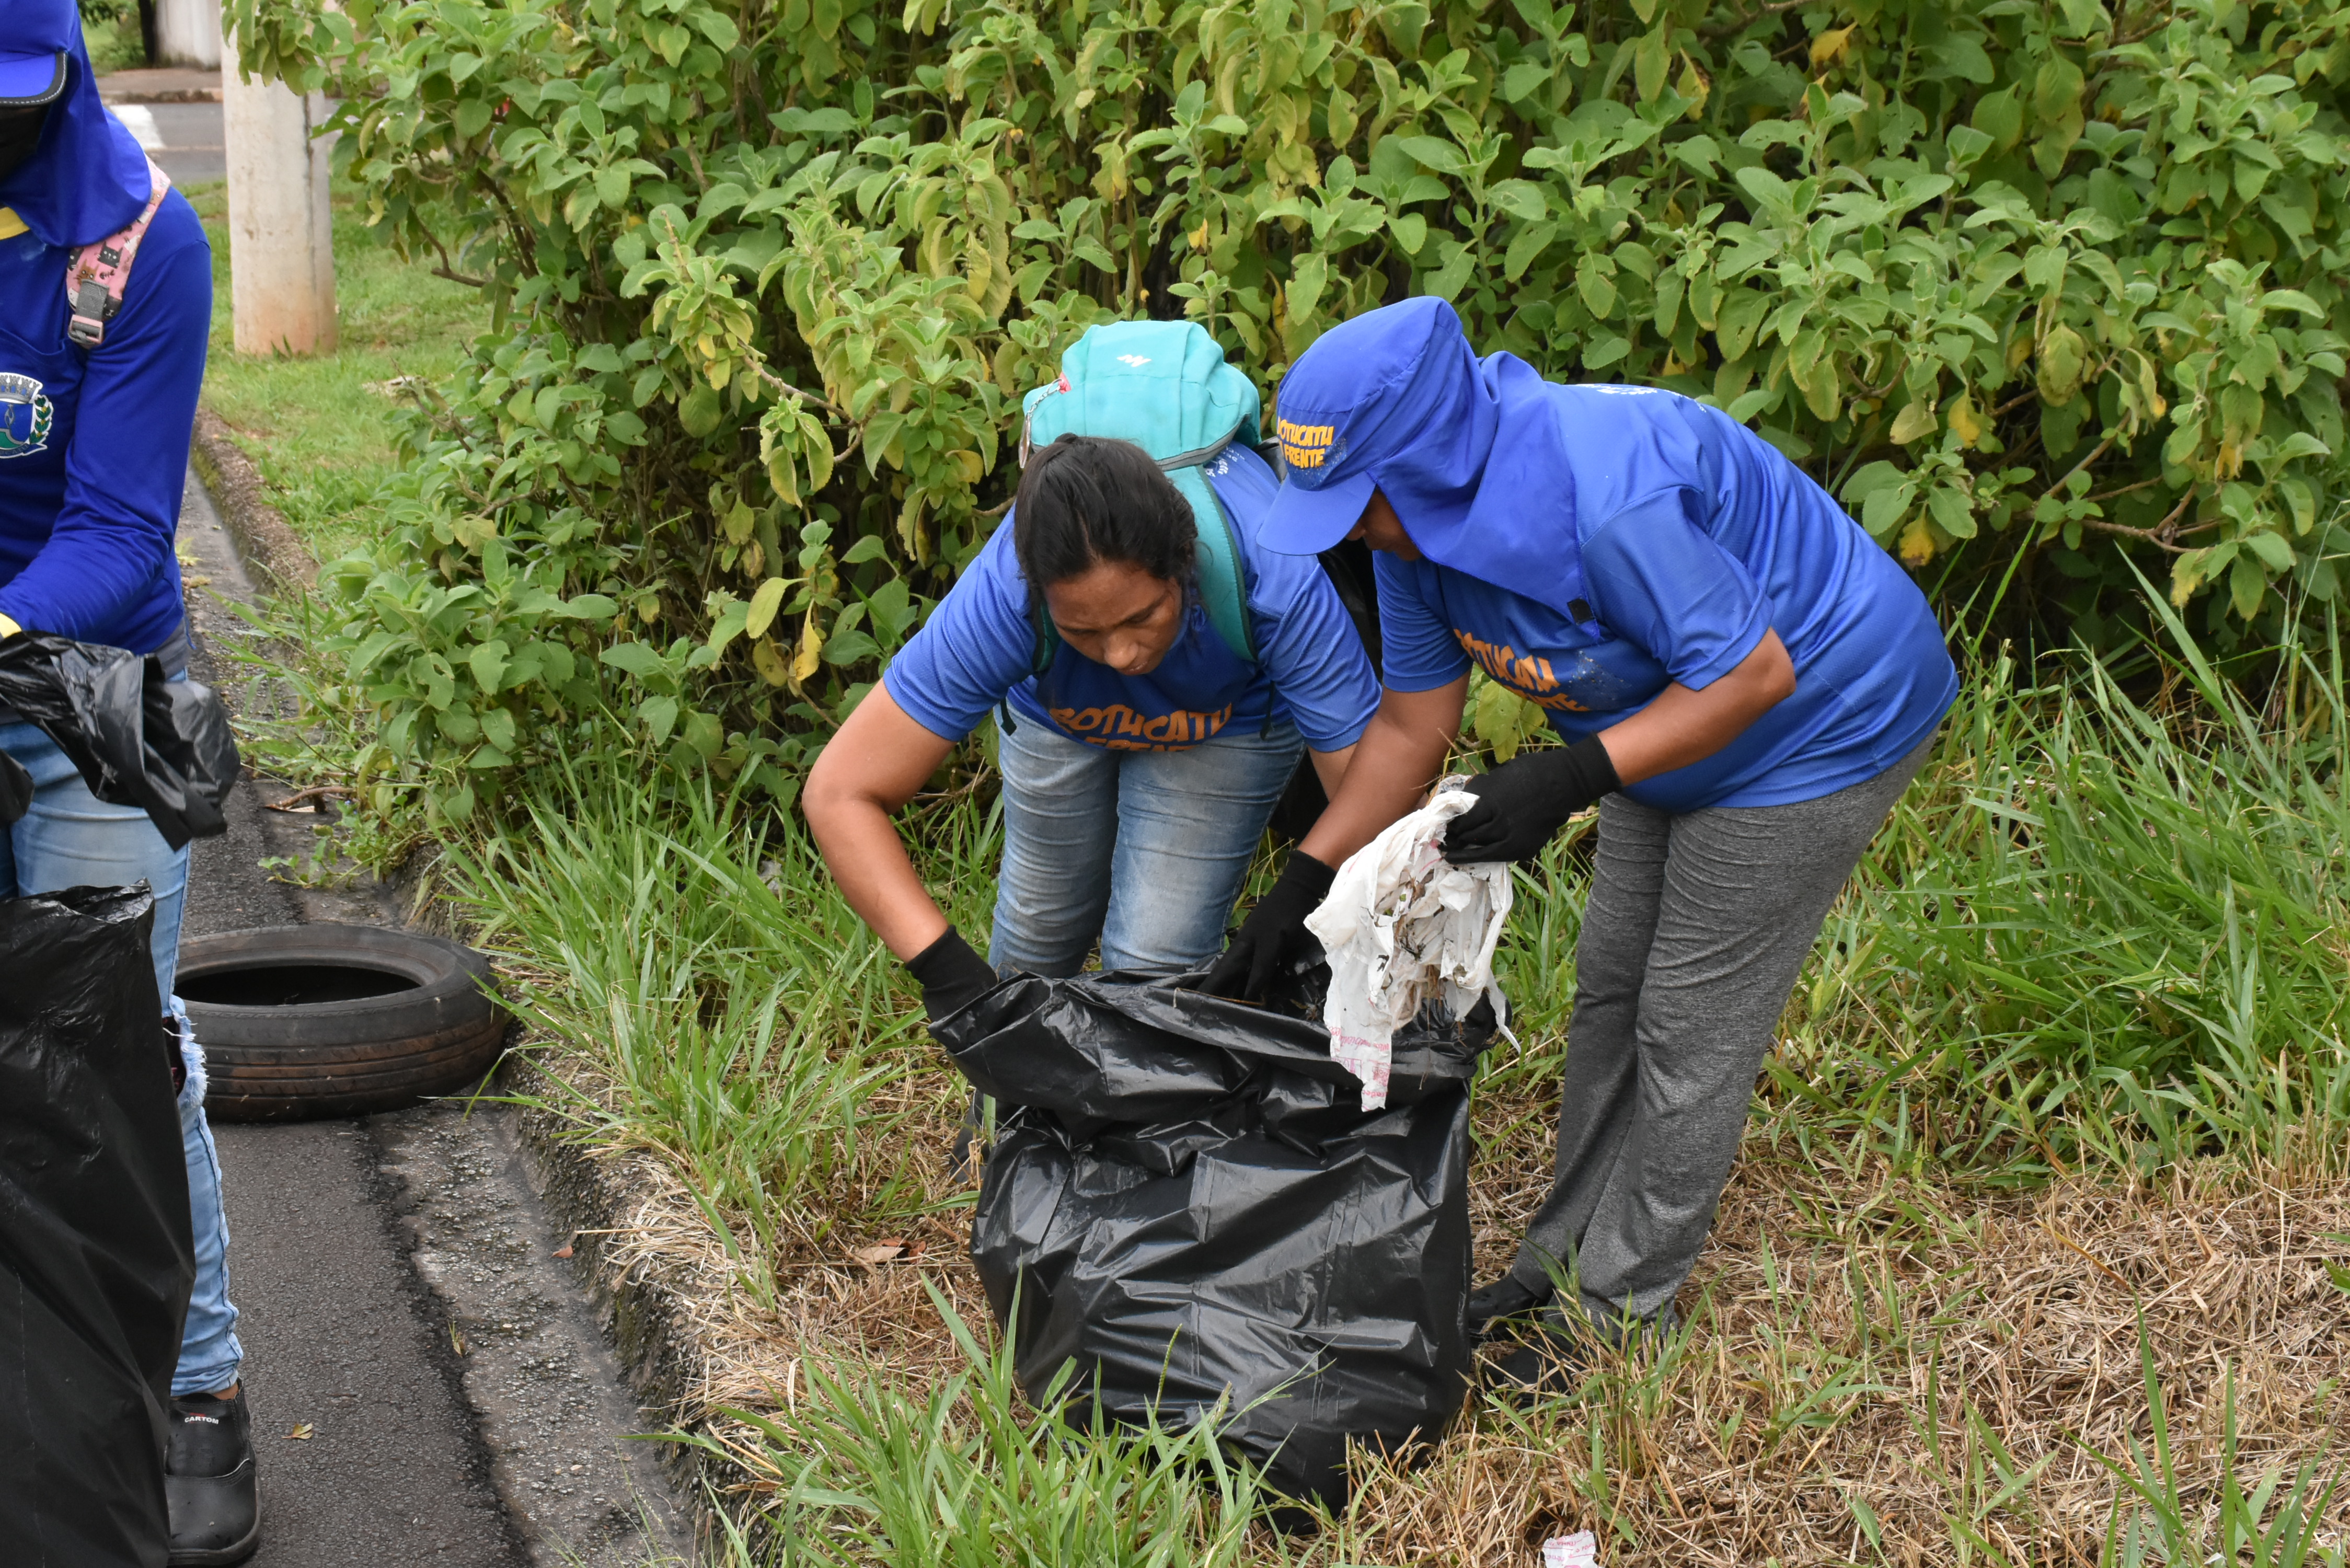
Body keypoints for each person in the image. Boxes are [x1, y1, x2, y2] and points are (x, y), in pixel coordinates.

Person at [1220, 297, 1956, 1387]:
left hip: (1820, 722)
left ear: (1428, 461)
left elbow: (1753, 674)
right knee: (1611, 989)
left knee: (1688, 1022)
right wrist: (1303, 884)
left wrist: (1569, 776)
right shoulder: (1412, 530)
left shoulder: (1607, 495)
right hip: (1660, 725)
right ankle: (1559, 1263)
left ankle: (1621, 1319)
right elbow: (1415, 727)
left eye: (1354, 500)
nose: (1346, 528)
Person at [803, 322, 1379, 1024]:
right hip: (1060, 716)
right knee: (1038, 938)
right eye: (1083, 629)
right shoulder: (1004, 595)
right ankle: (1007, 1119)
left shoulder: (1271, 576)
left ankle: (1138, 1130)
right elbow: (839, 793)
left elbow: (1374, 789)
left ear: (1185, 567)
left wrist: (1301, 893)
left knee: (1154, 963)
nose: (1122, 656)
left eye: (1143, 617)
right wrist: (950, 975)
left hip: (1230, 718)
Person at [0, 8, 259, 1562]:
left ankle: (201, 1386)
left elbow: (113, 533)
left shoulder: (137, 245)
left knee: (121, 1047)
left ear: (65, 79)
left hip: (90, 696)